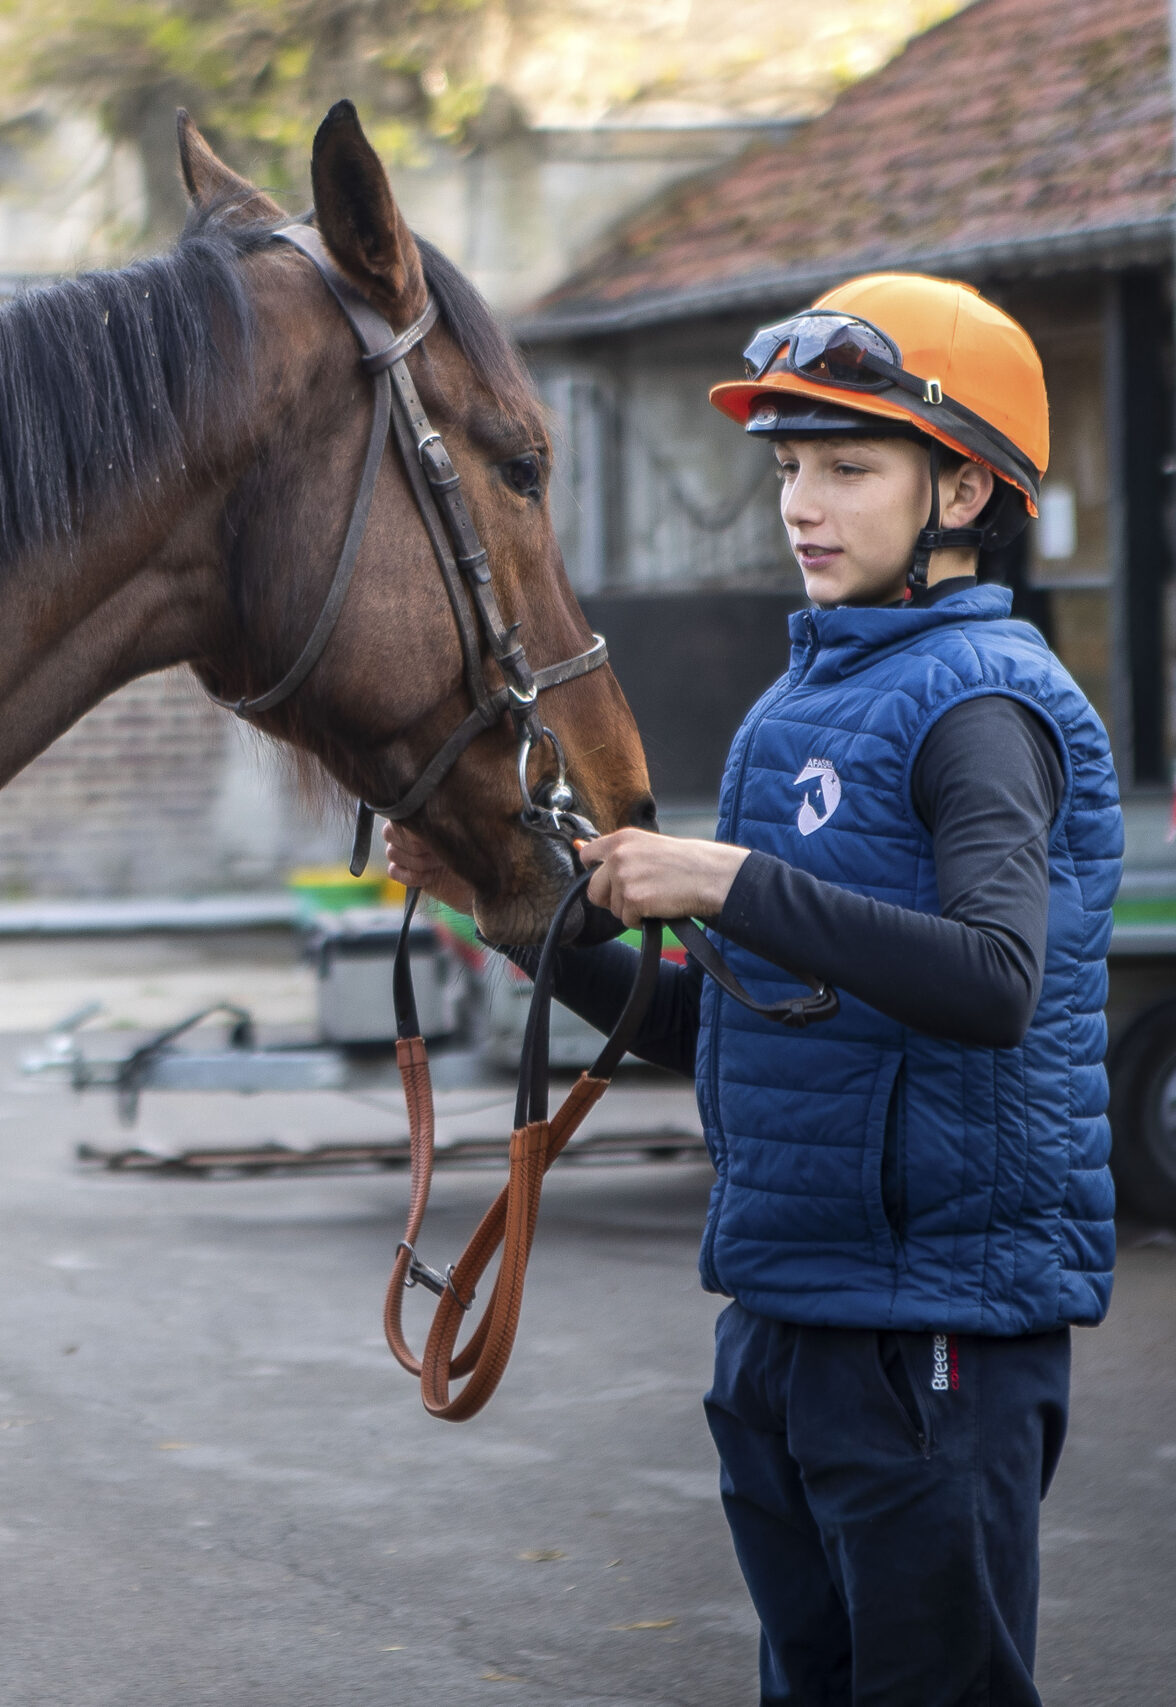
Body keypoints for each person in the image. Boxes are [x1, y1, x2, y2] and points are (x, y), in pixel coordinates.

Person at [391, 273, 1120, 1706]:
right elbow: (717, 1025)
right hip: (784, 1326)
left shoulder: (986, 704)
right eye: (791, 467)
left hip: (936, 1338)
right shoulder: (802, 703)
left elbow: (993, 982)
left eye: (850, 467)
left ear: (964, 489)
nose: (803, 503)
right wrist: (498, 908)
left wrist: (721, 879)